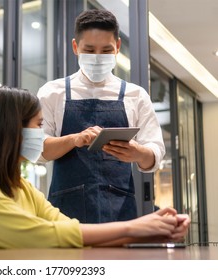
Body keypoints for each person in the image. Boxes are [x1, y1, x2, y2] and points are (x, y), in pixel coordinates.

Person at [0, 86, 189, 257]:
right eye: (38, 126)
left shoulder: (21, 187)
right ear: (11, 129)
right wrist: (134, 229)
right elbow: (44, 236)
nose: (42, 134)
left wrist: (152, 230)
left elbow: (67, 230)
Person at [37, 9, 165, 223]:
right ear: (75, 47)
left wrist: (138, 152)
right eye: (89, 50)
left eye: (106, 50)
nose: (98, 57)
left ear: (117, 48)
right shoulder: (52, 92)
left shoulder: (136, 95)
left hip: (120, 209)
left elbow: (155, 152)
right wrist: (73, 139)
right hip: (65, 213)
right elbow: (37, 150)